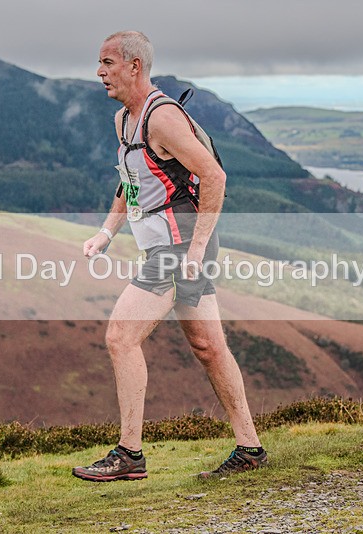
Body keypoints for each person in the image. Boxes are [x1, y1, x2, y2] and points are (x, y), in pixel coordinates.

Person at [72, 30, 265, 482]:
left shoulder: (162, 118)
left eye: (107, 63)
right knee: (209, 346)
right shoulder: (124, 121)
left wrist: (196, 250)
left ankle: (129, 455)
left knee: (120, 337)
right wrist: (106, 232)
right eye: (99, 63)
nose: (99, 73)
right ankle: (250, 448)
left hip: (180, 245)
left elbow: (214, 177)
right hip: (168, 244)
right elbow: (130, 181)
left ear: (135, 66)